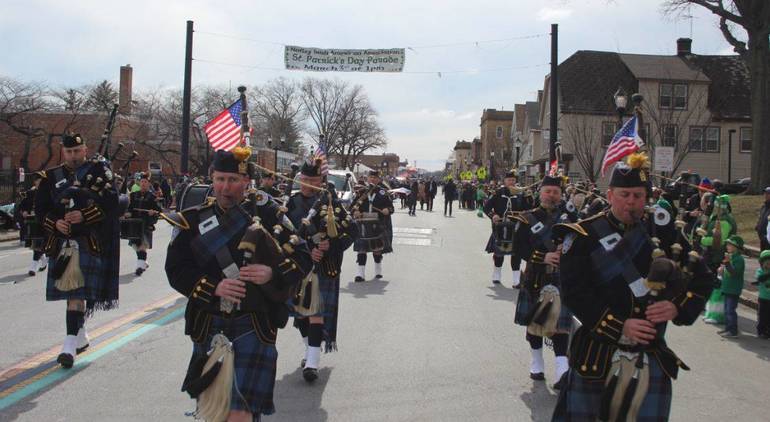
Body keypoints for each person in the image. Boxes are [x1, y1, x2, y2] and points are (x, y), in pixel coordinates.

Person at [552, 153, 714, 421]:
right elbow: (574, 293)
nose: (631, 202)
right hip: (597, 354)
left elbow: (703, 278)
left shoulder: (665, 233)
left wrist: (676, 307)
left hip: (648, 355)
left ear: (646, 197)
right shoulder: (584, 235)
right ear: (611, 194)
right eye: (625, 194)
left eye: (638, 195)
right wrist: (620, 326)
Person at [165, 148, 312, 422]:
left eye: (233, 179)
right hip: (208, 321)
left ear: (246, 181)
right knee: (216, 411)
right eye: (220, 179)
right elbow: (175, 269)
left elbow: (303, 256)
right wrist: (213, 287)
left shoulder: (269, 214)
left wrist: (271, 272)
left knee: (239, 413)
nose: (225, 187)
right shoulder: (194, 219)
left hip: (253, 322)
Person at [35, 133, 120, 368]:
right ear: (63, 151)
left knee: (76, 293)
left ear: (86, 149)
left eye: (77, 151)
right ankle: (80, 335)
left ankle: (69, 345)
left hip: (87, 241)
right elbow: (41, 211)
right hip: (62, 243)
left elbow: (113, 204)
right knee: (72, 293)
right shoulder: (51, 178)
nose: (73, 156)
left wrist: (84, 215)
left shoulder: (99, 173)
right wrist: (56, 224)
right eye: (69, 152)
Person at [286, 161, 358, 382]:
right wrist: (306, 249)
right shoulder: (291, 203)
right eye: (305, 180)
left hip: (323, 268)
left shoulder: (332, 204)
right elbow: (280, 236)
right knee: (300, 316)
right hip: (298, 266)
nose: (308, 185)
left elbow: (352, 231)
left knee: (316, 313)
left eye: (313, 181)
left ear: (321, 181)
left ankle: (312, 363)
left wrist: (331, 246)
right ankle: (310, 350)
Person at [511, 175, 576, 388]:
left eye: (556, 192)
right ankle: (536, 361)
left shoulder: (569, 220)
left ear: (560, 195)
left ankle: (561, 368)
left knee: (560, 326)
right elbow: (518, 248)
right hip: (535, 278)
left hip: (561, 278)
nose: (552, 195)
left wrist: (566, 252)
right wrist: (542, 256)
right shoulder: (527, 218)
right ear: (540, 192)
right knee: (535, 323)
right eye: (548, 191)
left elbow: (580, 248)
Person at [483, 169, 533, 287]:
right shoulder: (498, 193)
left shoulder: (521, 194)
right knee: (499, 253)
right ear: (505, 181)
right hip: (501, 228)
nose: (511, 182)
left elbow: (530, 208)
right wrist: (493, 215)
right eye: (509, 180)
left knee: (517, 254)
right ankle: (497, 274)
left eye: (513, 180)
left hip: (517, 228)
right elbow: (486, 207)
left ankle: (516, 280)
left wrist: (529, 198)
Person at [351, 170, 394, 281]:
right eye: (371, 177)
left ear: (379, 179)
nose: (373, 179)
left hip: (377, 224)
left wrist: (387, 210)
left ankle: (378, 270)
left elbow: (391, 208)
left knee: (377, 249)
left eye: (375, 178)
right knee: (362, 249)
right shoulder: (361, 193)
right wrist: (355, 212)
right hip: (363, 225)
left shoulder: (383, 193)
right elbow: (353, 207)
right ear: (367, 178)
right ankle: (360, 274)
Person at [125, 172, 162, 275]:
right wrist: (128, 213)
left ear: (149, 184)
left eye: (145, 182)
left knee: (142, 245)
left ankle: (139, 268)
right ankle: (143, 262)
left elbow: (160, 210)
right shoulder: (133, 195)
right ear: (139, 183)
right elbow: (129, 208)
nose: (143, 184)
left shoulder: (153, 197)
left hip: (146, 224)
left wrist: (153, 212)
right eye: (142, 182)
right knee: (135, 245)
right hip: (134, 224)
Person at [19, 172, 48, 276]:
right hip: (32, 222)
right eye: (36, 180)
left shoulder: (48, 193)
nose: (38, 182)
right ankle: (44, 260)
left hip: (45, 222)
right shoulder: (30, 193)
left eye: (40, 180)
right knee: (35, 245)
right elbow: (22, 206)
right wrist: (24, 211)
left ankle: (33, 267)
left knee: (39, 244)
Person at [717, 235, 745, 338]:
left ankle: (733, 331)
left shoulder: (739, 259)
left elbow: (734, 273)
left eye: (730, 245)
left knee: (730, 310)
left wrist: (727, 263)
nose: (727, 246)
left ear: (736, 247)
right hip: (727, 287)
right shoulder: (731, 257)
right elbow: (727, 271)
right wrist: (721, 270)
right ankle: (728, 328)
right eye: (728, 244)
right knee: (726, 310)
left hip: (734, 289)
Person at [753, 250, 770, 339]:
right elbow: (760, 278)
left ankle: (767, 331)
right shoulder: (760, 271)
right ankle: (761, 331)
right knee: (762, 315)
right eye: (767, 263)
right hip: (763, 298)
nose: (769, 265)